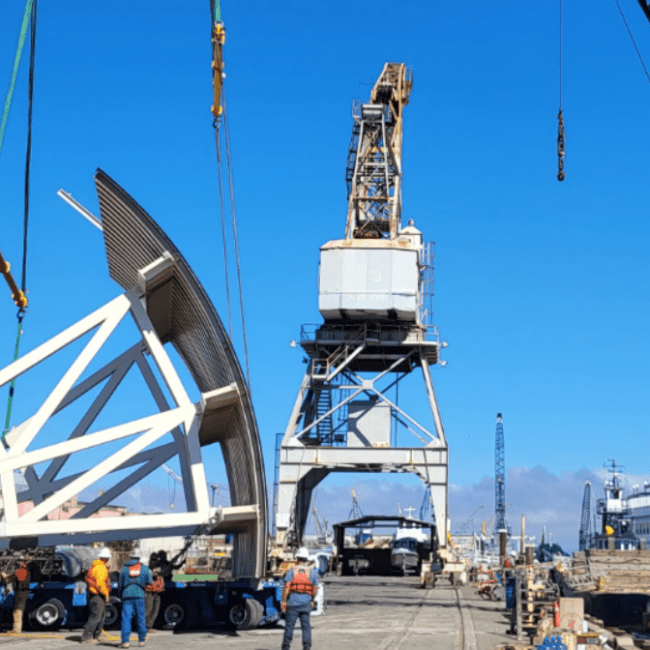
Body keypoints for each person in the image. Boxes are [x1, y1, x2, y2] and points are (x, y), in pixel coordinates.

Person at [281, 547, 319, 650]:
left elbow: (287, 586)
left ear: (297, 558)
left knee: (289, 626)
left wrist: (284, 601)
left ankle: (286, 647)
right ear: (306, 559)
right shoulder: (311, 572)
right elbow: (315, 588)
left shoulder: (292, 570)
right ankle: (307, 647)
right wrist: (312, 599)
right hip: (306, 603)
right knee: (306, 626)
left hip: (292, 603)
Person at [118, 551, 152, 648]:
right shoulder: (144, 568)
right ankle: (142, 641)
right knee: (141, 618)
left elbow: (120, 584)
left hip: (127, 596)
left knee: (126, 619)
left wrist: (120, 595)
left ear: (130, 557)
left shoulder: (124, 569)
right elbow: (149, 582)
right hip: (140, 595)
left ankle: (125, 642)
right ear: (139, 558)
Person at [81, 547, 112, 644]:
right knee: (96, 616)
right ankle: (86, 637)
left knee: (100, 616)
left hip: (95, 594)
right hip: (97, 595)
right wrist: (106, 594)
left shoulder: (96, 566)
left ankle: (95, 635)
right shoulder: (101, 568)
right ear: (107, 559)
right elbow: (100, 584)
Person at [9, 556, 31, 635]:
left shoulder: (23, 570)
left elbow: (20, 578)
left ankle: (17, 629)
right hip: (20, 593)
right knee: (16, 611)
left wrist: (12, 575)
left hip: (21, 593)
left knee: (18, 611)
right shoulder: (23, 570)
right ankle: (15, 629)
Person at [144, 553, 164, 631]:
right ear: (150, 561)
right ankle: (145, 627)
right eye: (153, 560)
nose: (155, 562)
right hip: (149, 591)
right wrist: (153, 573)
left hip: (157, 591)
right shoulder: (147, 569)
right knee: (148, 609)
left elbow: (161, 579)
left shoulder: (159, 569)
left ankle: (149, 626)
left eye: (156, 560)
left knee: (155, 610)